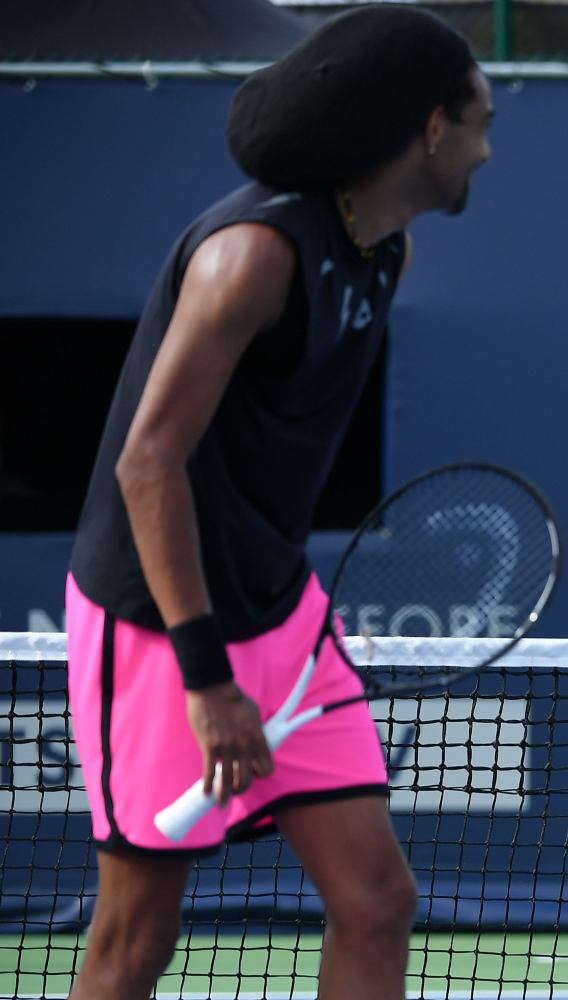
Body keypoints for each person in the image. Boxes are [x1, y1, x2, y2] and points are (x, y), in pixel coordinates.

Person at [61, 7, 492, 997]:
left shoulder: (388, 253)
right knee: (137, 938)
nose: (488, 148)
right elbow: (147, 463)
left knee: (377, 899)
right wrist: (209, 682)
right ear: (430, 128)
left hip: (279, 607)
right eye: (480, 120)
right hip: (161, 620)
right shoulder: (249, 257)